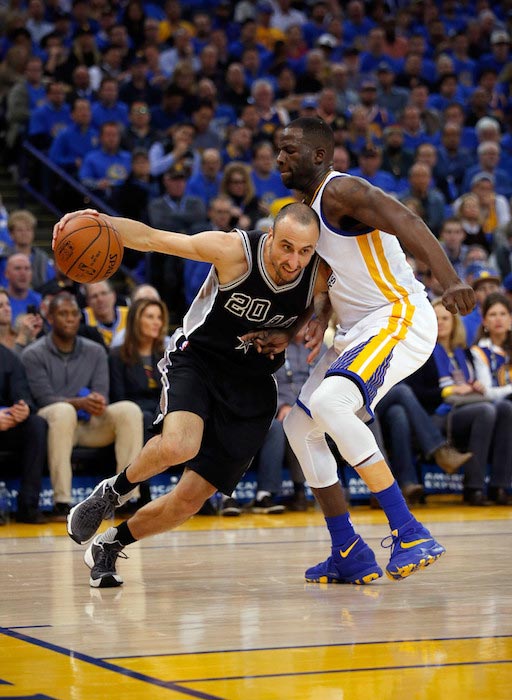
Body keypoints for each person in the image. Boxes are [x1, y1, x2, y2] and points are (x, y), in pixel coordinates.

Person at [246, 117, 474, 584]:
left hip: (398, 316)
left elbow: (406, 219)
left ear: (319, 156)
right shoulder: (306, 210)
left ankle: (409, 531)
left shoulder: (342, 190)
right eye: (277, 150)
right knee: (299, 426)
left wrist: (448, 279)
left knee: (331, 404)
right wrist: (301, 328)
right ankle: (347, 549)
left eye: (289, 150)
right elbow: (333, 278)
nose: (280, 158)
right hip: (356, 330)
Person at [57, 202, 328, 587]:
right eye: (286, 247)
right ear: (270, 237)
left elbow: (326, 302)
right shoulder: (233, 252)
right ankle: (112, 493)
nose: (294, 260)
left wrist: (296, 328)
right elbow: (153, 239)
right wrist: (99, 221)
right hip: (198, 361)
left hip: (251, 385)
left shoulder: (318, 273)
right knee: (180, 445)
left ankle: (110, 544)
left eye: (305, 251)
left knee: (189, 500)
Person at [21, 292, 144, 521]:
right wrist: (78, 402)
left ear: (80, 318)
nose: (69, 319)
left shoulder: (95, 351)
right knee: (62, 411)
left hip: (88, 425)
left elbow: (101, 395)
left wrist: (96, 402)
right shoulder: (33, 354)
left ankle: (126, 497)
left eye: (74, 314)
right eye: (62, 314)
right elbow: (43, 398)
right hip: (54, 426)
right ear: (50, 318)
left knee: (129, 410)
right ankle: (62, 502)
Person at [408, 298, 511, 507]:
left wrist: (476, 387)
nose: (441, 322)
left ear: (454, 322)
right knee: (486, 411)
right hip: (437, 415)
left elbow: (476, 383)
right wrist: (449, 390)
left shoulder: (464, 352)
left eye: (445, 318)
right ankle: (473, 487)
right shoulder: (420, 353)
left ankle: (499, 485)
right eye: (435, 319)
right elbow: (415, 393)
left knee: (506, 408)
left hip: (468, 407)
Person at [0, 343, 47, 524]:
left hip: (8, 422)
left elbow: (22, 393)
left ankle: (28, 506)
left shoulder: (8, 357)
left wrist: (23, 408)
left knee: (36, 424)